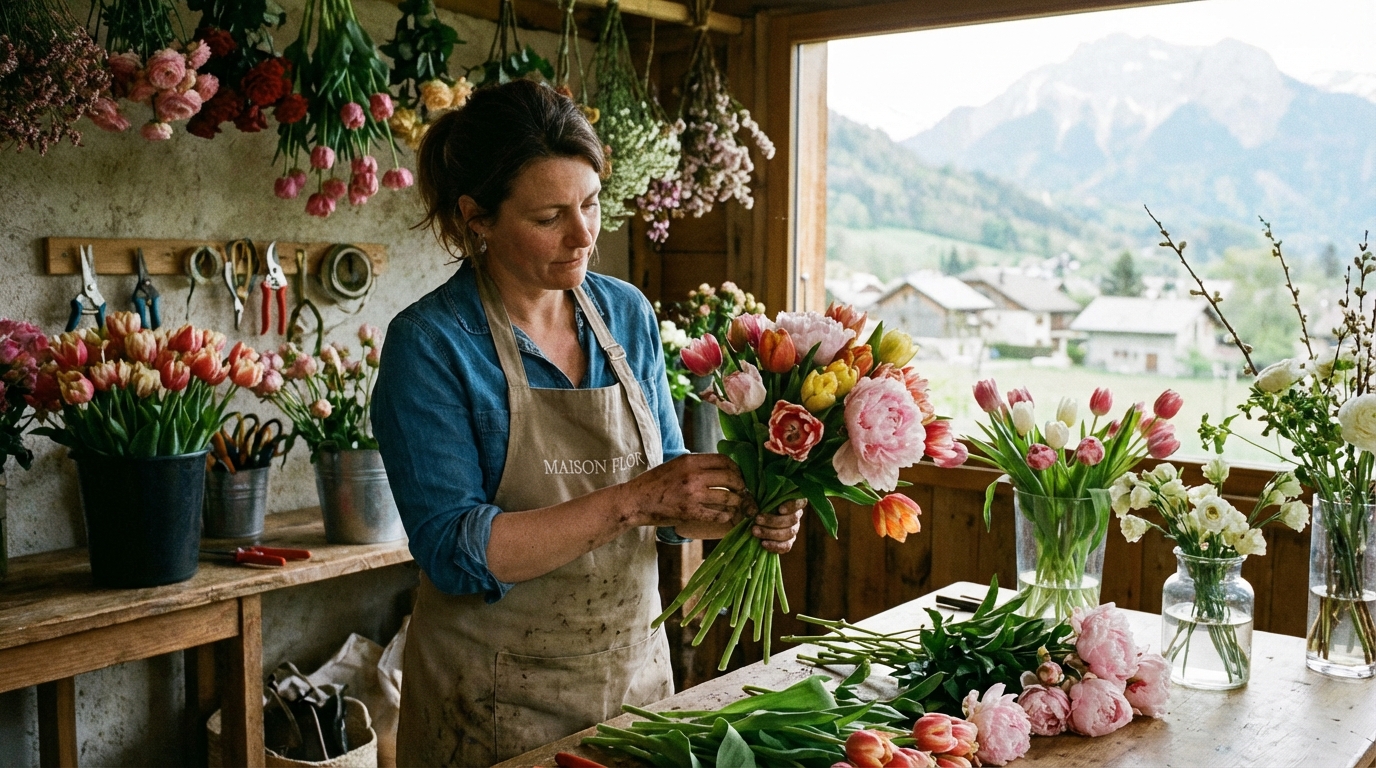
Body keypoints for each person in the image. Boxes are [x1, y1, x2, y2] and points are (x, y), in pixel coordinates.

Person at [370, 80, 805, 767]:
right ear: (476, 217)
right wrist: (634, 500)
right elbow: (456, 552)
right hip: (489, 702)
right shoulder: (432, 343)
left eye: (593, 204)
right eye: (549, 216)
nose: (583, 235)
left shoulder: (625, 314)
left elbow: (669, 510)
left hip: (633, 683)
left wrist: (746, 509)